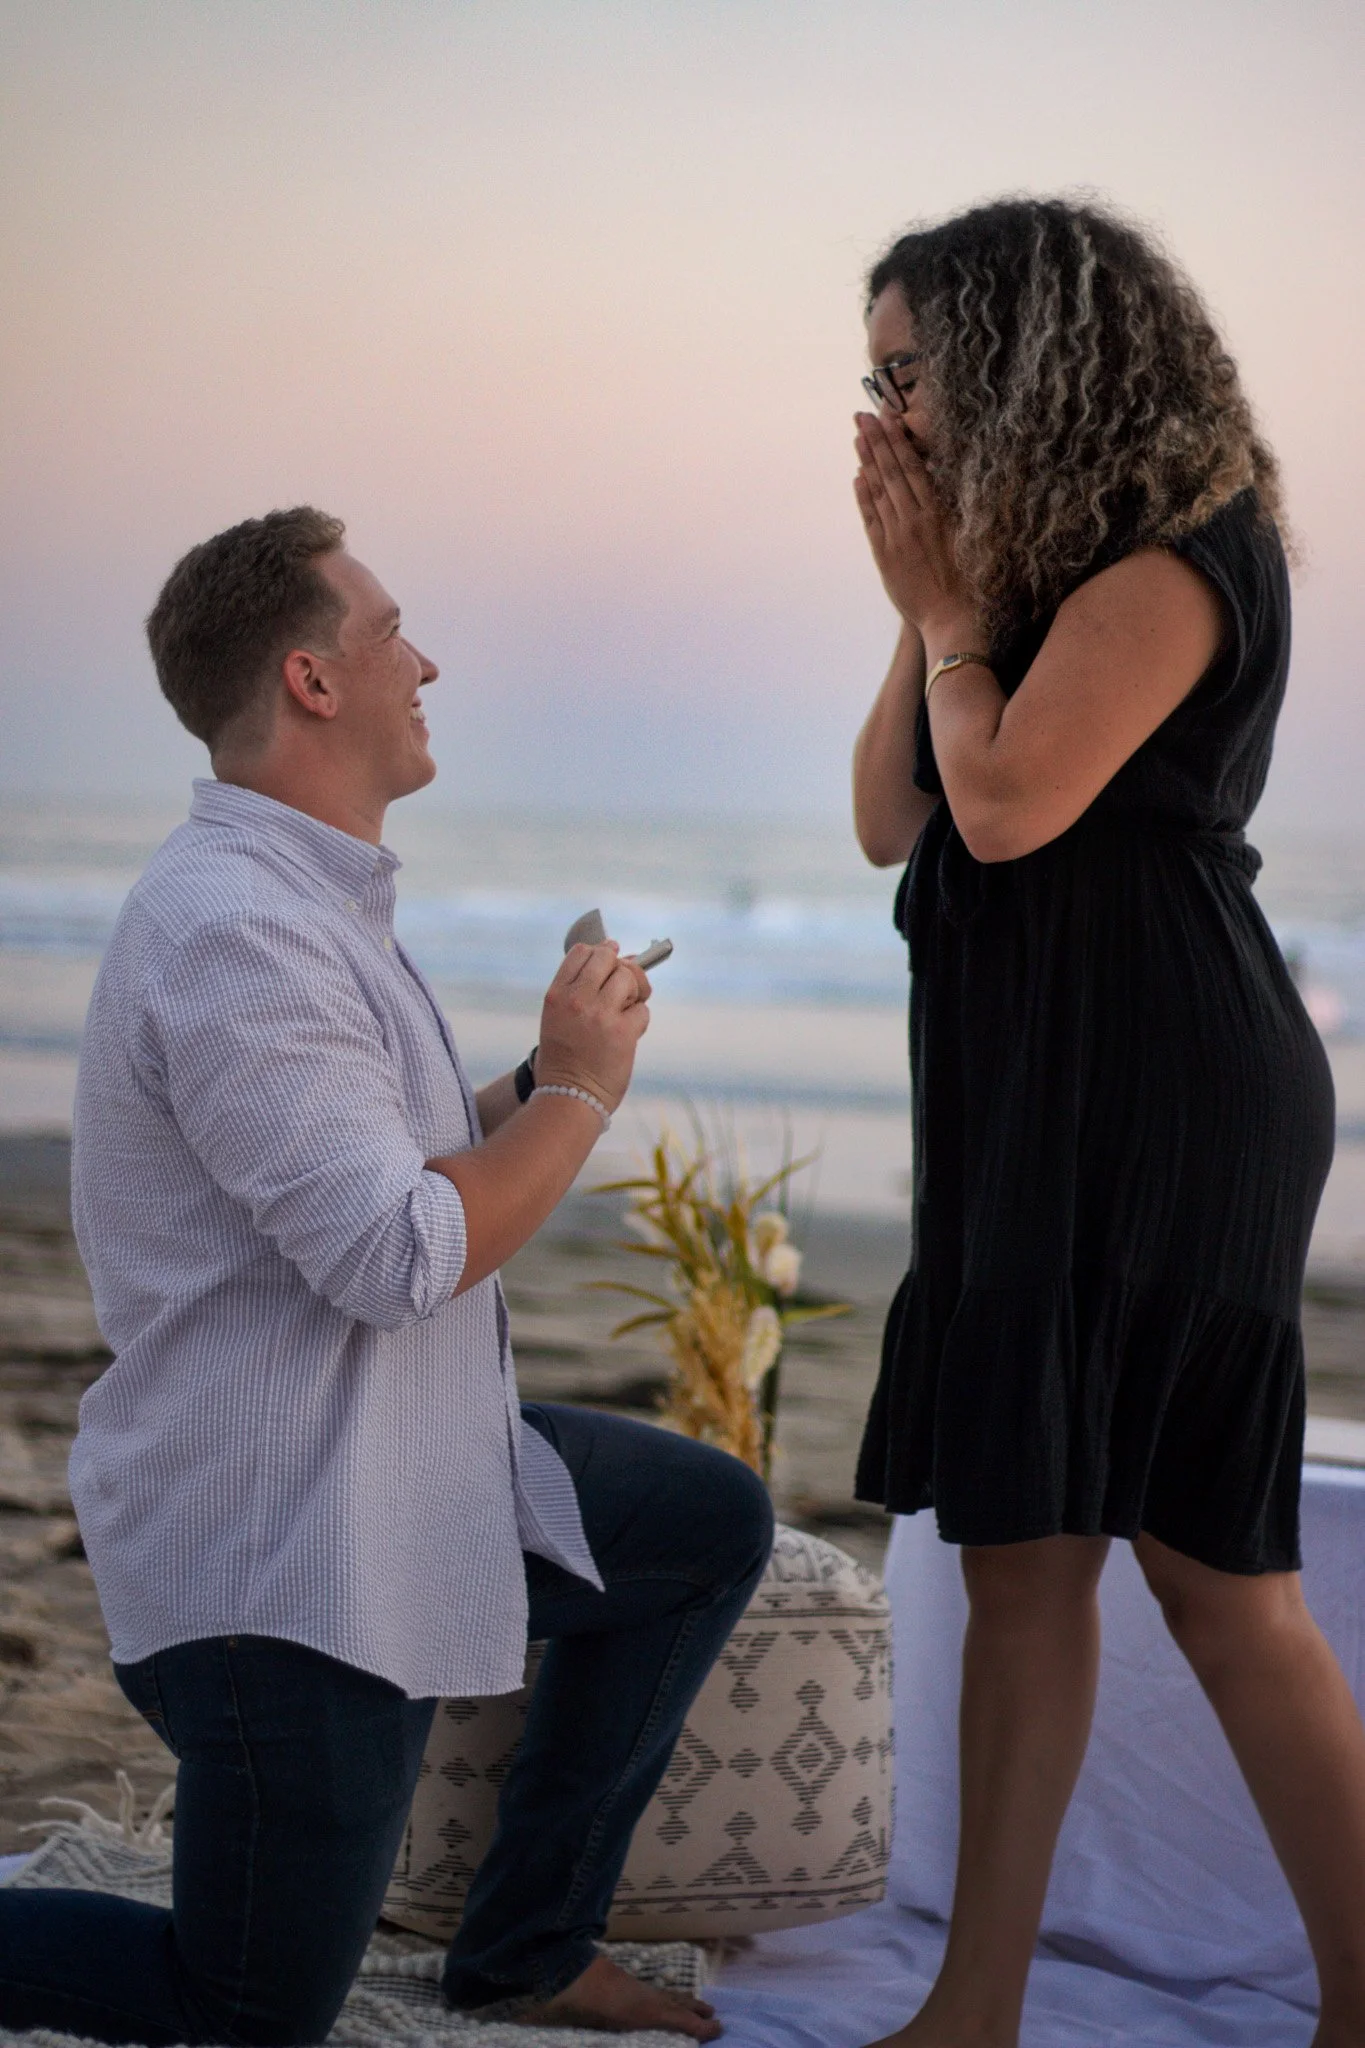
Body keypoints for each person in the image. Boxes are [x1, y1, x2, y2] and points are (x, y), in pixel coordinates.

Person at [0, 509, 772, 2044]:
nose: (427, 661)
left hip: (412, 1473)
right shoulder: (237, 933)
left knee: (699, 1523)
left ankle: (524, 1947)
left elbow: (382, 1165)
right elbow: (404, 1250)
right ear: (311, 681)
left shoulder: (306, 899)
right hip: (291, 1562)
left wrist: (526, 1086)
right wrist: (581, 1093)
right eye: (391, 632)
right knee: (245, 2012)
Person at [848, 197, 1365, 2048]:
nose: (887, 414)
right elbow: (889, 814)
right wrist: (939, 604)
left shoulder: (1178, 556)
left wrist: (942, 608)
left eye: (910, 372)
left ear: (1018, 358)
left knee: (1218, 1577)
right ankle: (970, 2012)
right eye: (878, 378)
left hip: (1161, 1089)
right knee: (1022, 1553)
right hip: (1025, 1099)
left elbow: (1004, 806)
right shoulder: (1022, 569)